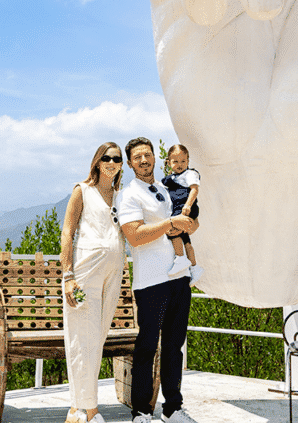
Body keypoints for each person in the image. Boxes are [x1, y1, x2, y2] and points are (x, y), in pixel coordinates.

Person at [116, 136, 199, 423]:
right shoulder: (128, 195)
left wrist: (190, 224)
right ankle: (140, 411)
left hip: (179, 277)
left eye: (147, 155)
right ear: (130, 164)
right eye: (137, 157)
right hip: (151, 283)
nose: (144, 160)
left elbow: (189, 222)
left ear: (155, 157)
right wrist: (170, 224)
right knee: (147, 347)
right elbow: (135, 237)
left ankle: (172, 409)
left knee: (174, 347)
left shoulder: (167, 186)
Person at [61, 142, 126, 423]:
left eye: (117, 159)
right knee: (82, 338)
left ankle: (76, 409)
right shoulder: (82, 190)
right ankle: (91, 411)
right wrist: (68, 276)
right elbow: (67, 231)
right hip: (85, 272)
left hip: (114, 272)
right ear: (98, 161)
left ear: (121, 165)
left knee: (96, 339)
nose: (112, 163)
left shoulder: (122, 196)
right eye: (107, 158)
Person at [161, 144, 203, 284]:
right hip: (179, 208)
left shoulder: (190, 174)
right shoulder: (172, 178)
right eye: (176, 161)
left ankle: (180, 258)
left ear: (188, 161)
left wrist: (188, 205)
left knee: (173, 231)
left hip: (185, 208)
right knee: (186, 241)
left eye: (183, 161)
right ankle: (194, 267)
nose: (180, 165)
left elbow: (194, 189)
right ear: (169, 163)